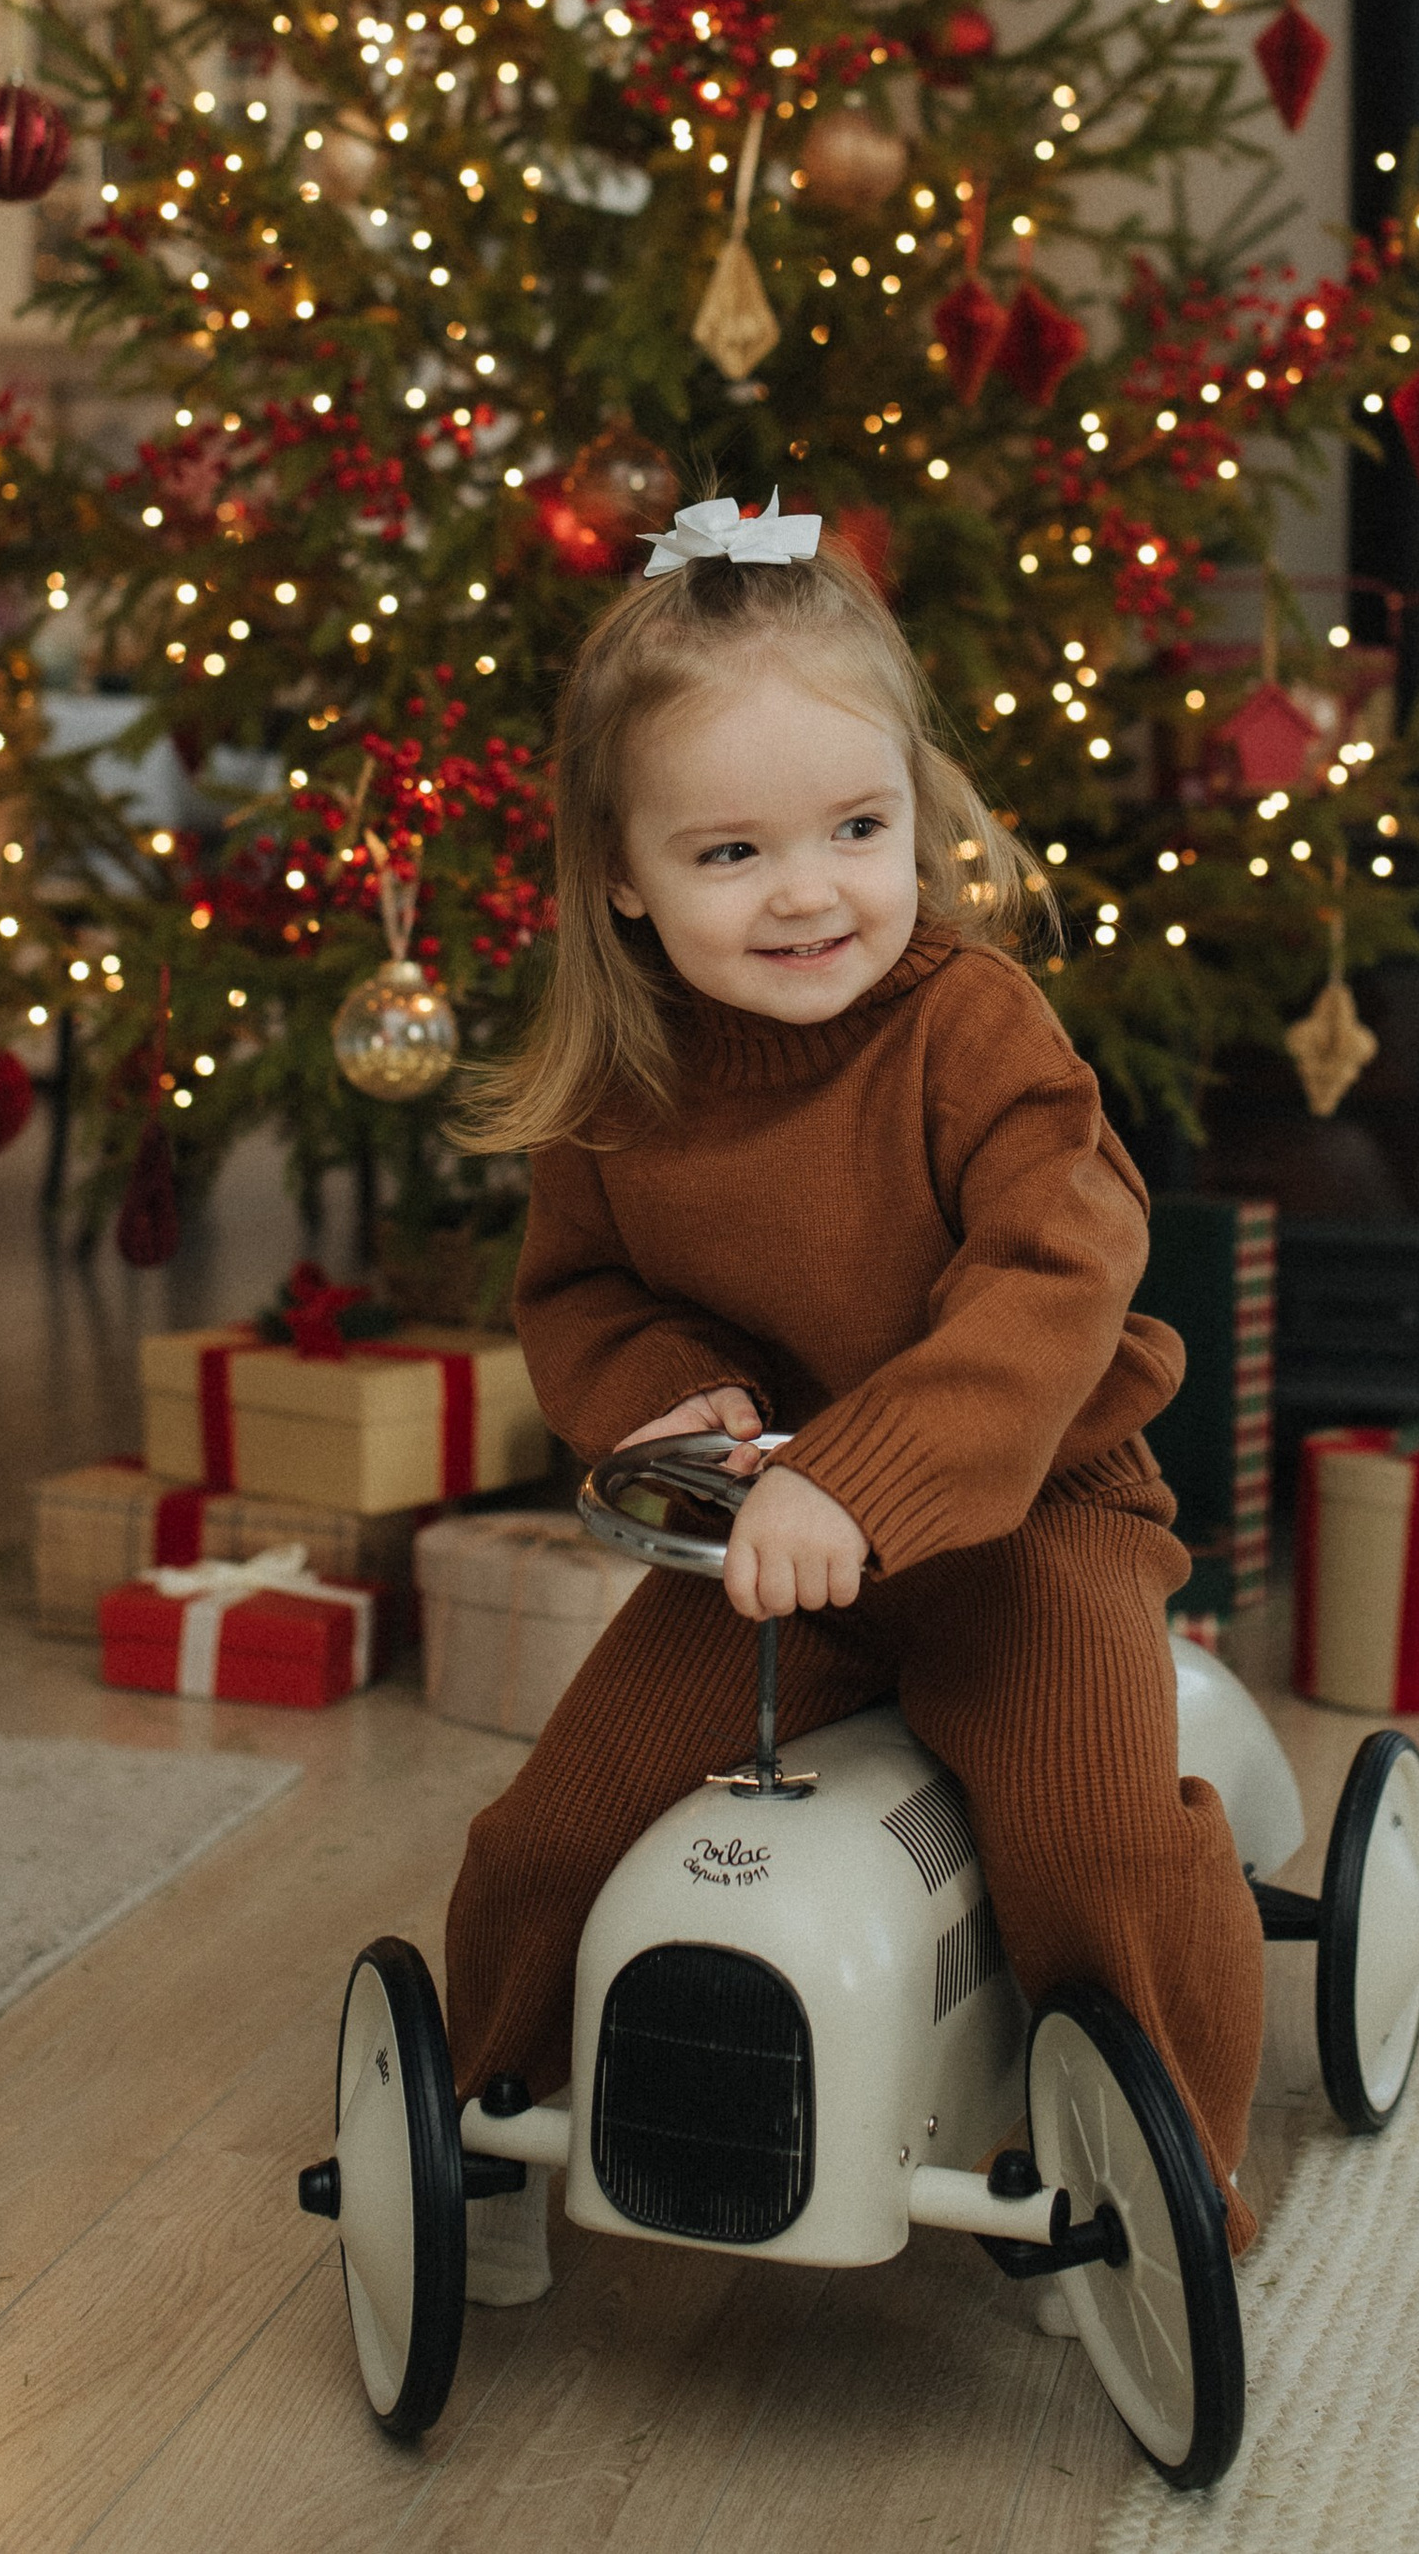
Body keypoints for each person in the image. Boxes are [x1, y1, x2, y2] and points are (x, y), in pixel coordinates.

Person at [440, 493, 1263, 2303]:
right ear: (623, 880)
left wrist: (871, 1478)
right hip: (764, 1547)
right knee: (555, 1829)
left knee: (1093, 1839)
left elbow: (1060, 1271)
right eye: (730, 853)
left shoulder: (973, 1030)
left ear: (922, 814)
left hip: (1028, 1511)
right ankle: (482, 2125)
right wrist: (666, 1407)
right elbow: (586, 1293)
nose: (810, 891)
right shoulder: (622, 1080)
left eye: (857, 830)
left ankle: (1167, 2174)